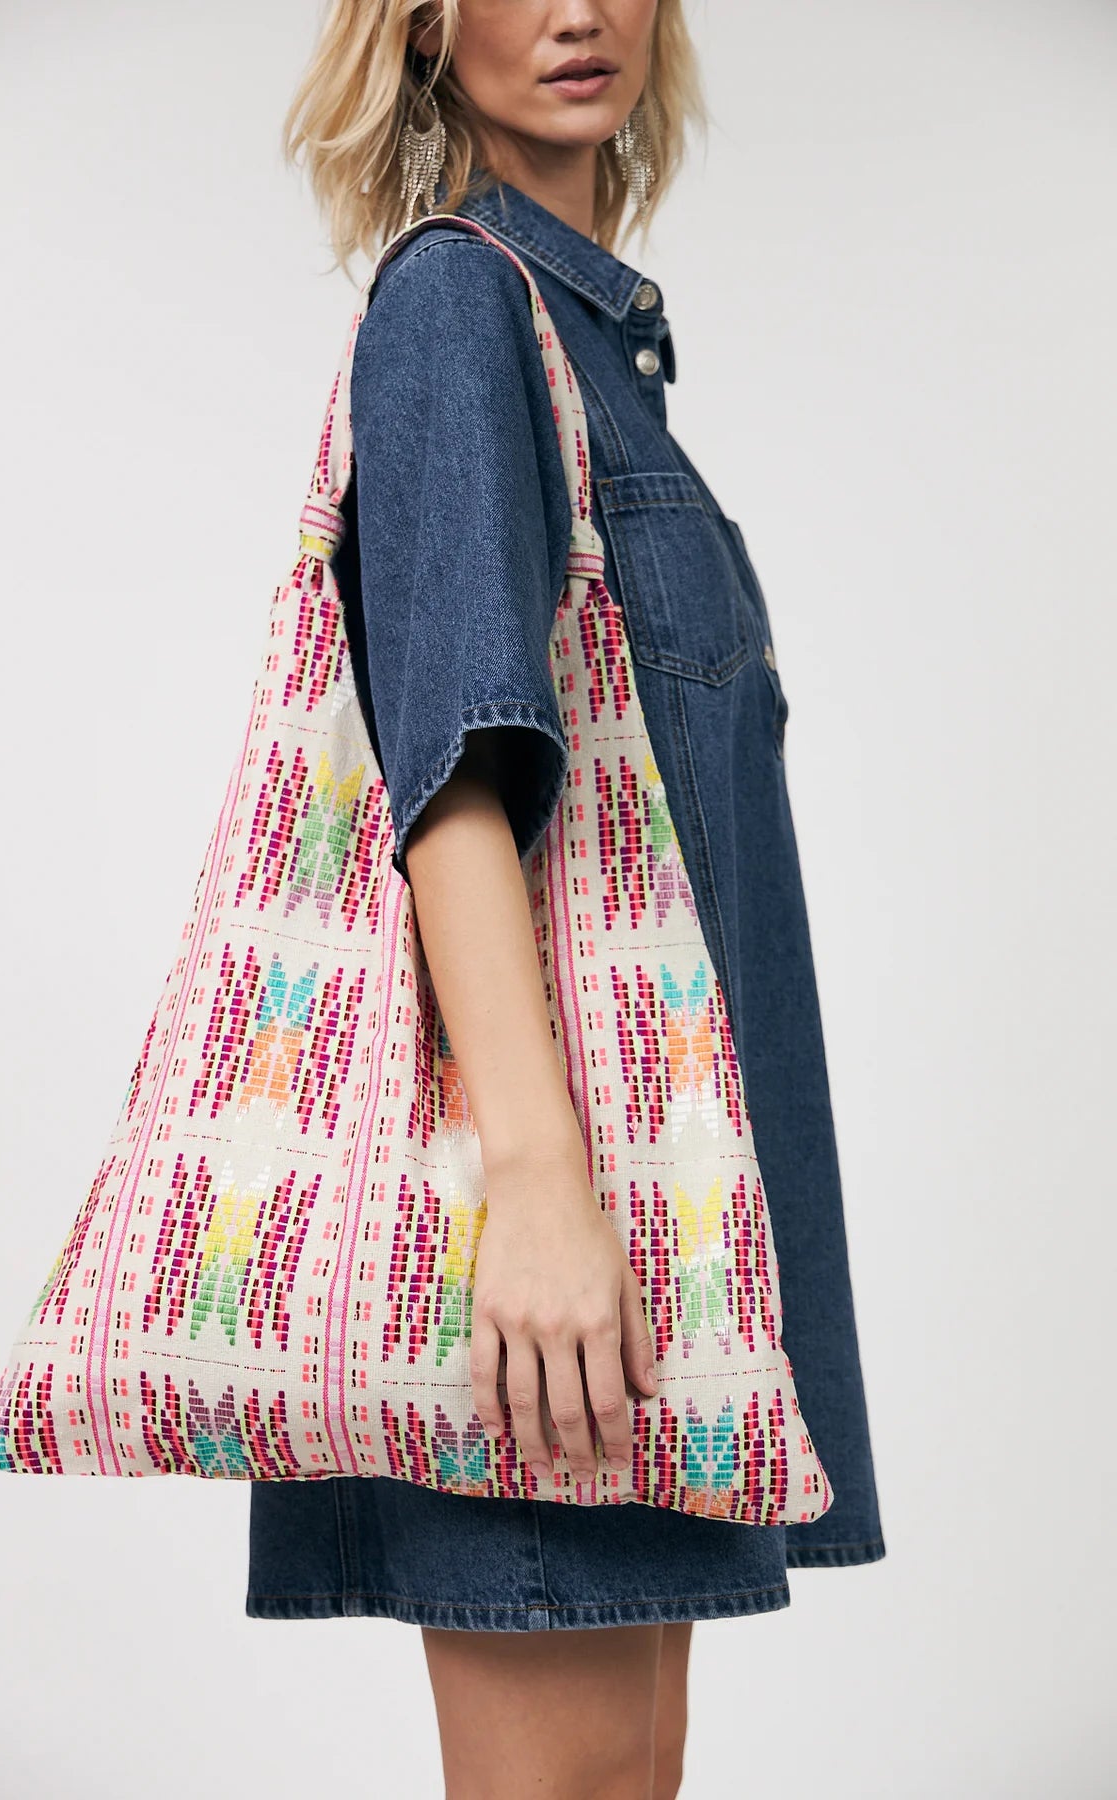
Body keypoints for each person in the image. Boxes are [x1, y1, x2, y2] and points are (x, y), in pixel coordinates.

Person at [245, 4, 886, 1795]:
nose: (580, 12)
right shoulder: (461, 308)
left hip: (652, 1233)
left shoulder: (594, 347)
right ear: (424, 24)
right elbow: (453, 776)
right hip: (554, 1244)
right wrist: (533, 1184)